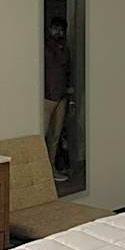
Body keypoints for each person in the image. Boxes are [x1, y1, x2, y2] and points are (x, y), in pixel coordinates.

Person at [44, 17, 70, 171]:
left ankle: (52, 165)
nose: (58, 32)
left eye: (61, 29)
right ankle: (43, 167)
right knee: (43, 131)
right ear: (50, 29)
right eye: (56, 28)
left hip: (61, 95)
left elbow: (66, 67)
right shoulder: (45, 46)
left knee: (56, 133)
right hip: (47, 95)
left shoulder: (64, 48)